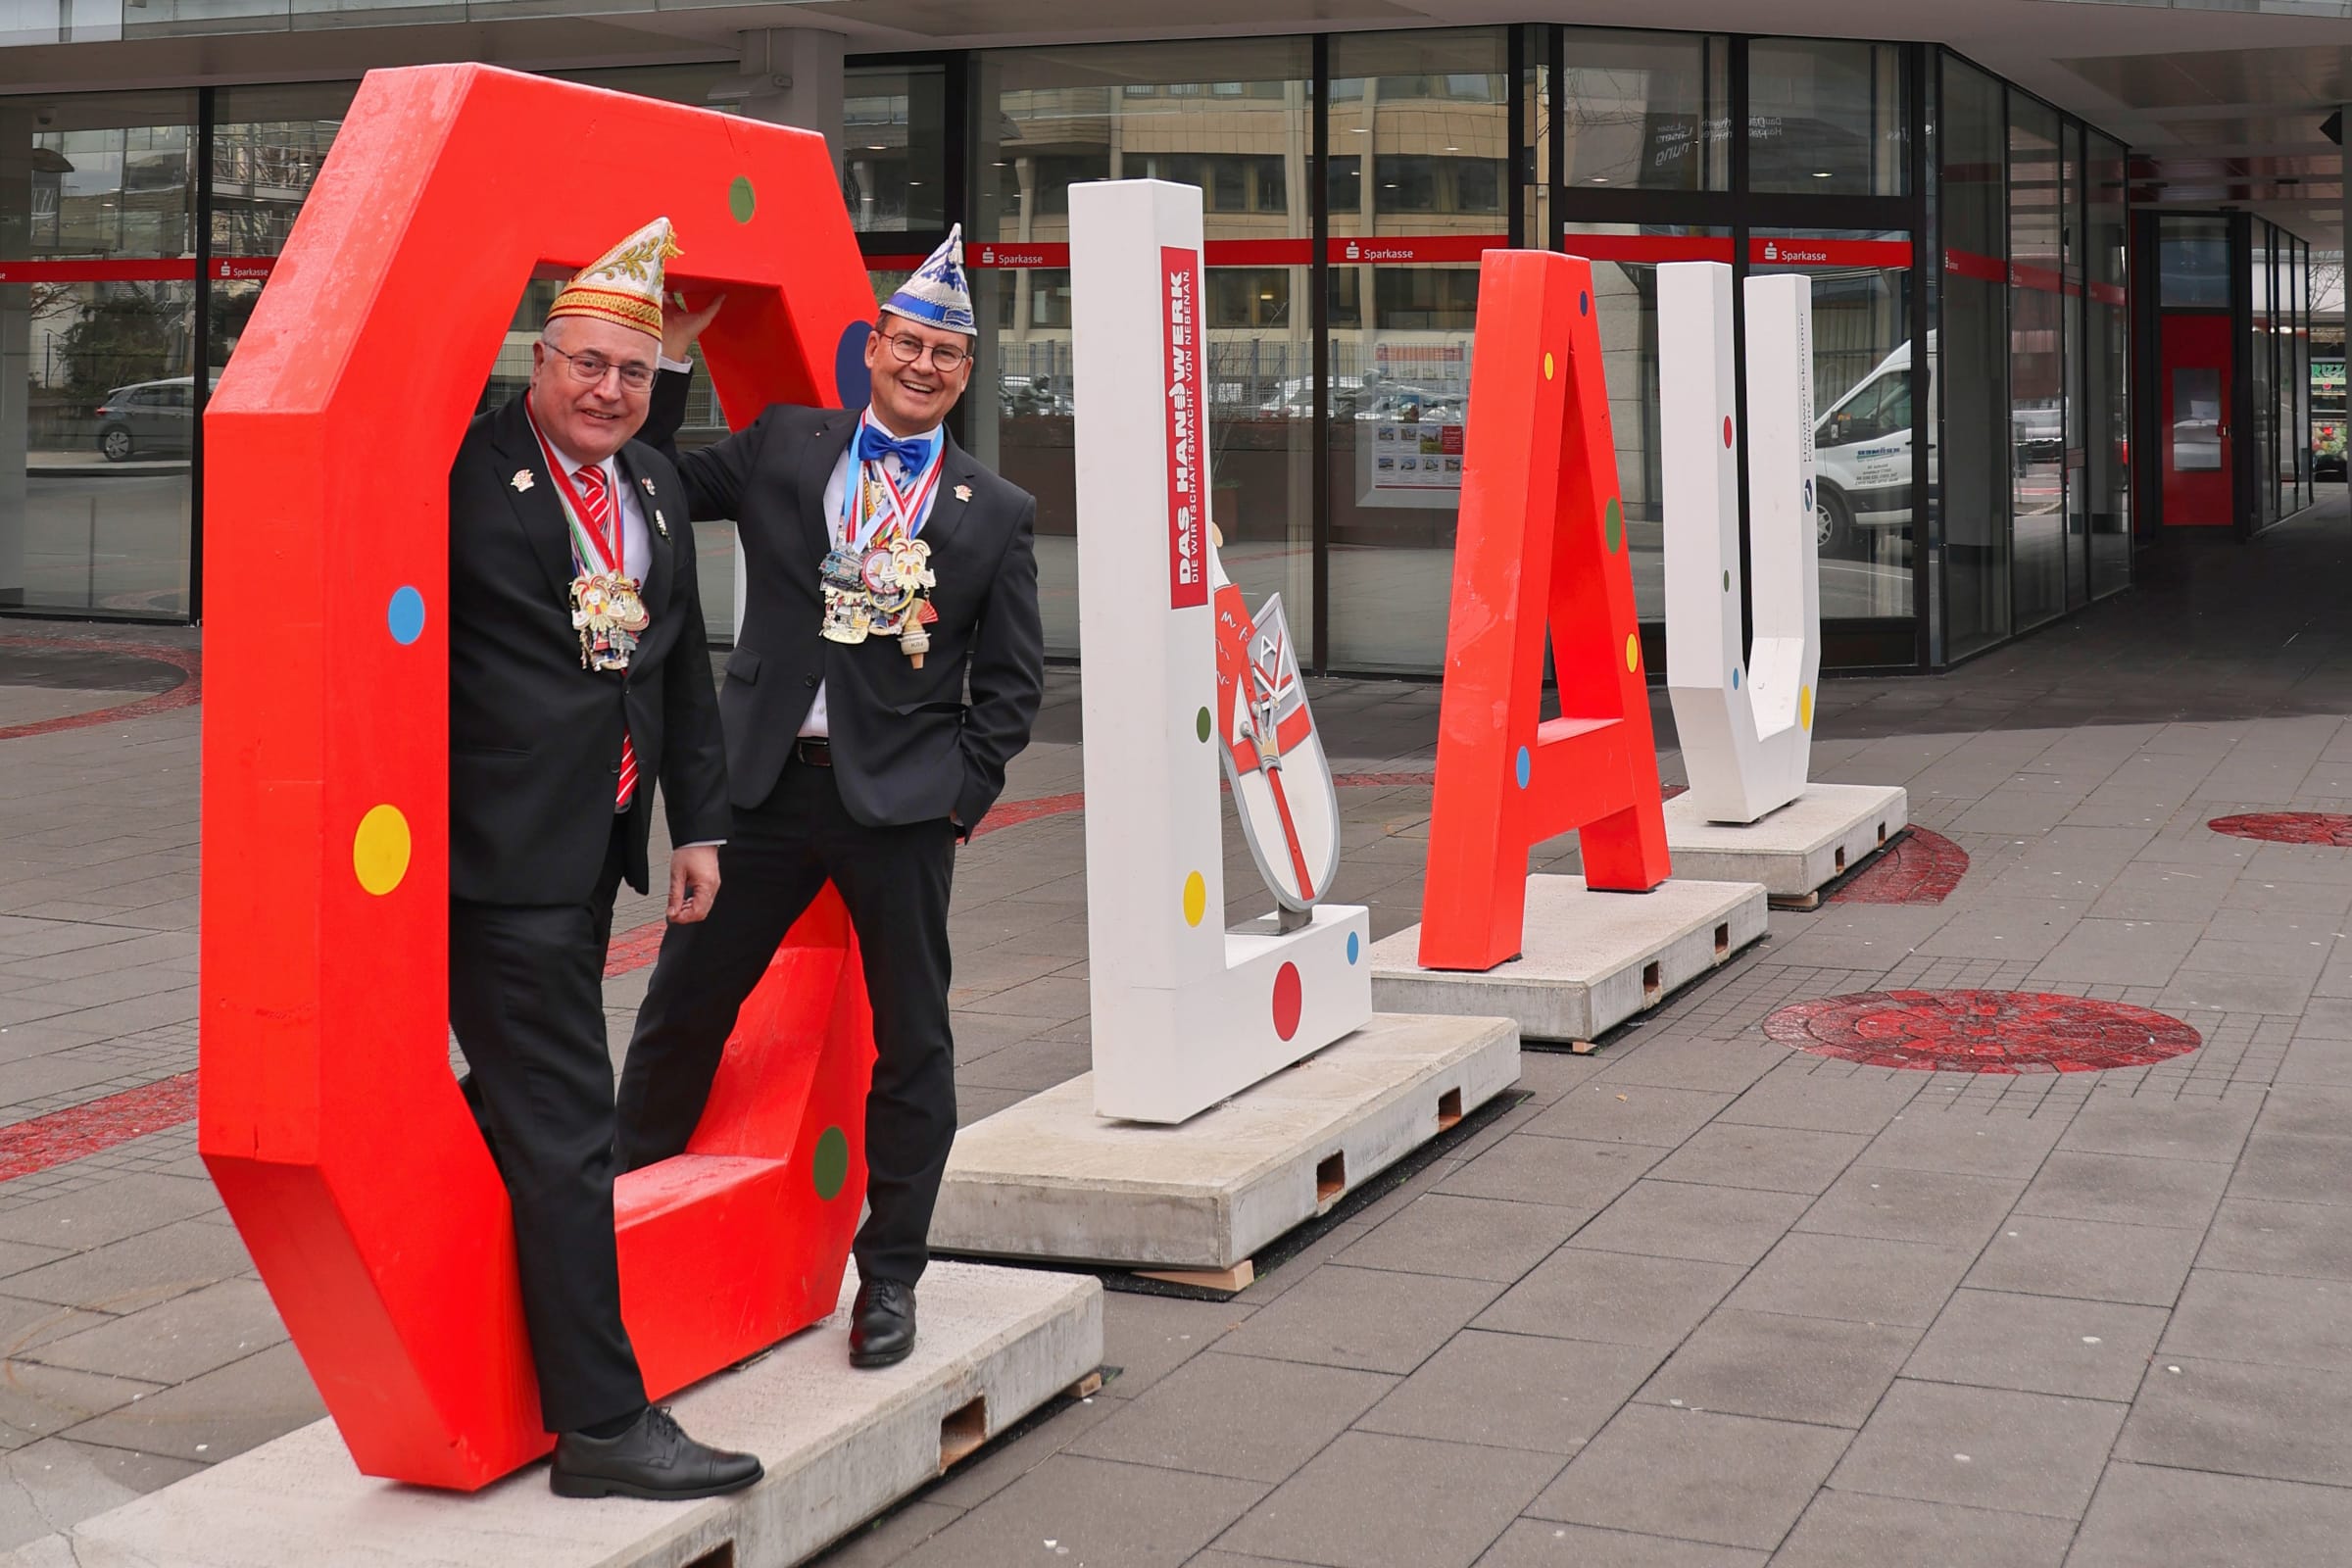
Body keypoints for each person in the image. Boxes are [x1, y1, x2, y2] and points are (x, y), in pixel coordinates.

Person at [615, 224, 1044, 1369]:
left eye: (946, 353)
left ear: (965, 373)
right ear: (873, 349)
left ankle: (889, 1276)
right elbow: (645, 479)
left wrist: (960, 794)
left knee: (915, 1043)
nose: (922, 365)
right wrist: (662, 364)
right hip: (760, 795)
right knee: (683, 1001)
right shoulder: (788, 449)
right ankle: (611, 1208)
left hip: (899, 812)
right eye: (906, 342)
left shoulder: (991, 508)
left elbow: (1010, 683)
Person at [446, 217, 760, 1501]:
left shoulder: (650, 492)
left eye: (633, 374)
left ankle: (486, 1327)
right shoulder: (469, 470)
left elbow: (679, 665)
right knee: (575, 1128)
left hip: (594, 856)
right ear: (537, 361)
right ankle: (602, 1426)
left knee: (519, 1119)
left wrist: (704, 823)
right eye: (586, 364)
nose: (607, 390)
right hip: (491, 859)